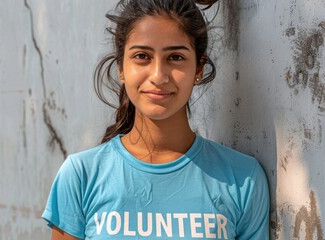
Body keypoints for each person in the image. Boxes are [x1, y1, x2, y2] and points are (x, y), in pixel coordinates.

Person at [42, 0, 270, 239]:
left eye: (176, 57)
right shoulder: (81, 175)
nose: (158, 76)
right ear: (121, 67)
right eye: (142, 56)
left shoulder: (242, 178)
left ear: (199, 68)